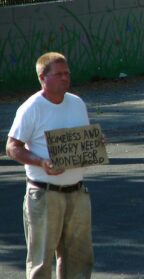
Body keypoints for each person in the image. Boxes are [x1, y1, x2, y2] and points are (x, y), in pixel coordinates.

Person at [6, 52, 94, 279]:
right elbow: (12, 147)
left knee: (79, 258)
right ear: (42, 78)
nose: (65, 78)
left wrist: (94, 144)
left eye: (67, 73)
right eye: (58, 74)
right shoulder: (31, 108)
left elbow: (80, 141)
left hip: (77, 191)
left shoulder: (76, 103)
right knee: (41, 260)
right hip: (45, 193)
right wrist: (41, 162)